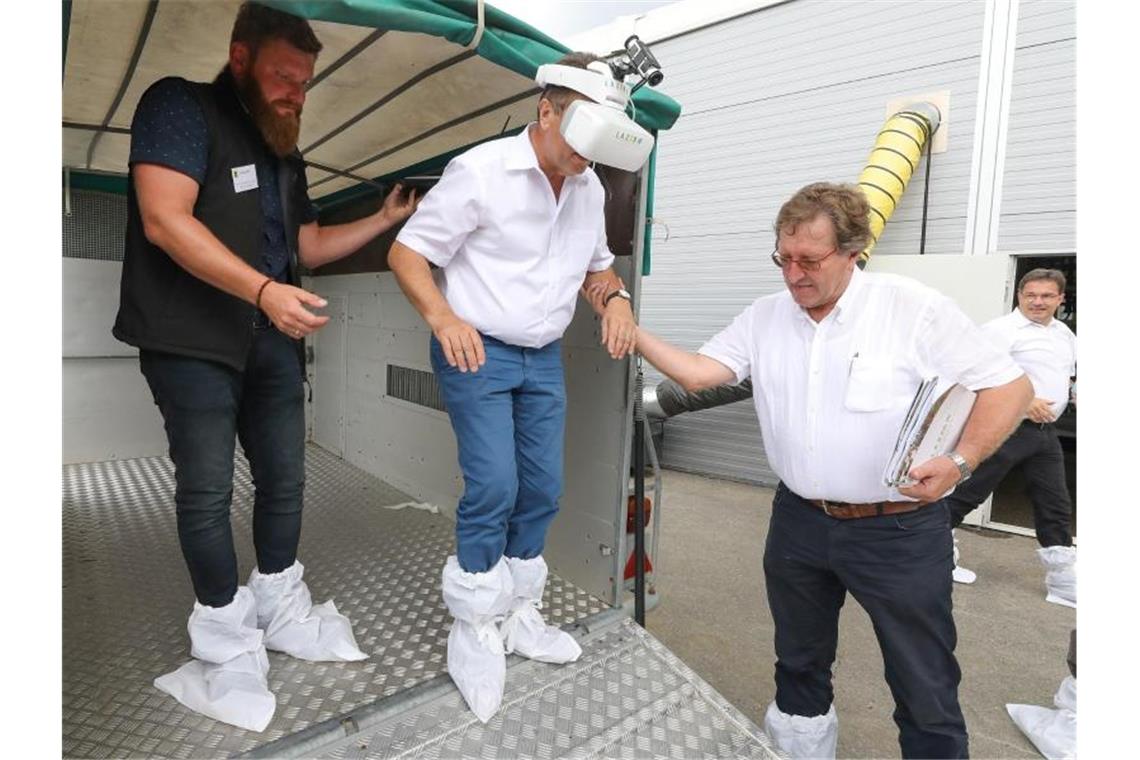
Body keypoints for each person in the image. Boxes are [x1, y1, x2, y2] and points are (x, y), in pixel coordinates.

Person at [624, 183, 1033, 758]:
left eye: (809, 260)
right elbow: (697, 374)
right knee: (798, 661)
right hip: (798, 523)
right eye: (783, 258)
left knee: (923, 681)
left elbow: (1010, 386)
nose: (793, 275)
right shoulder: (765, 317)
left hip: (899, 530)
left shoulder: (912, 308)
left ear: (852, 251)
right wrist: (627, 322)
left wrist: (960, 461)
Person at [113, 2, 418, 732]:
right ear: (241, 57)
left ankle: (279, 604)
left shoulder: (286, 153)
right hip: (191, 339)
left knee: (286, 476)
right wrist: (261, 289)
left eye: (306, 83)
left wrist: (383, 218)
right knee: (208, 489)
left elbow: (305, 248)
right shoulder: (180, 106)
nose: (296, 95)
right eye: (285, 76)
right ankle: (223, 636)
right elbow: (164, 217)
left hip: (271, 339)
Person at [387, 52, 638, 723]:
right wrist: (441, 317)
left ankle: (520, 612)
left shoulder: (589, 189)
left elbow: (598, 268)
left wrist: (613, 300)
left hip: (541, 358)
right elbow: (407, 252)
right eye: (580, 135)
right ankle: (473, 626)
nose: (588, 157)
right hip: (477, 350)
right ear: (546, 111)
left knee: (543, 489)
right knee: (494, 486)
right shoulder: (481, 172)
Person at [946, 269, 1077, 606]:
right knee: (967, 494)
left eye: (1047, 295)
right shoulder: (1000, 331)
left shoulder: (1064, 334)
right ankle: (935, 557)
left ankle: (1062, 583)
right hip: (1006, 428)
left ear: (1061, 299)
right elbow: (972, 372)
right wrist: (1024, 400)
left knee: (1055, 503)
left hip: (1046, 433)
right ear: (1019, 295)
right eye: (1030, 294)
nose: (1037, 301)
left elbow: (1065, 374)